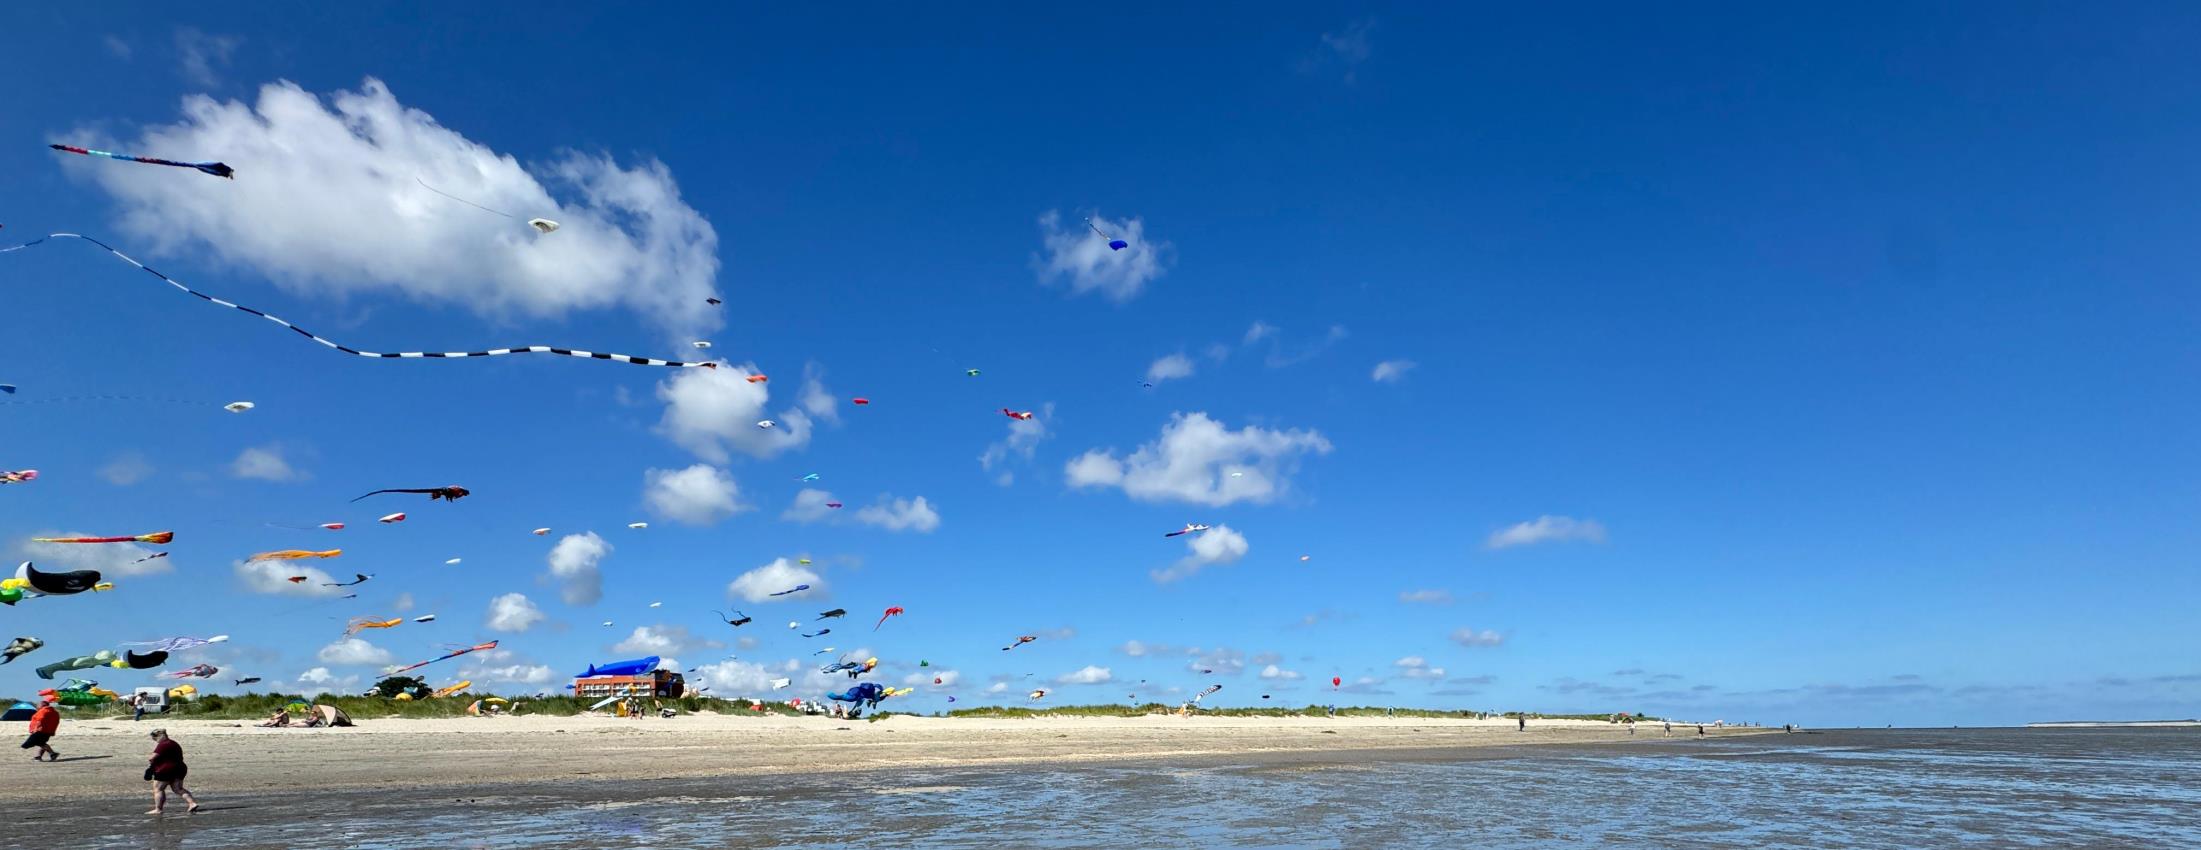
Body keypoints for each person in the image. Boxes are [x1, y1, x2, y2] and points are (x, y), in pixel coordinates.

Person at [145, 728, 200, 815]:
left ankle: (158, 809)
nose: (155, 741)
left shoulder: (163, 744)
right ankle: (192, 803)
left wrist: (151, 765)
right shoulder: (173, 743)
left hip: (166, 769)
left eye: (154, 738)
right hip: (180, 768)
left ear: (158, 736)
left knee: (158, 789)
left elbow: (152, 758)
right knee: (178, 788)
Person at [23, 696, 59, 762]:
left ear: (42, 705)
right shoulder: (54, 712)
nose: (37, 706)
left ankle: (52, 753)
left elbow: (40, 720)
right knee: (42, 743)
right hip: (48, 731)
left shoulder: (43, 711)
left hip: (40, 730)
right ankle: (39, 757)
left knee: (30, 744)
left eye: (38, 705)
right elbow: (55, 722)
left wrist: (35, 729)